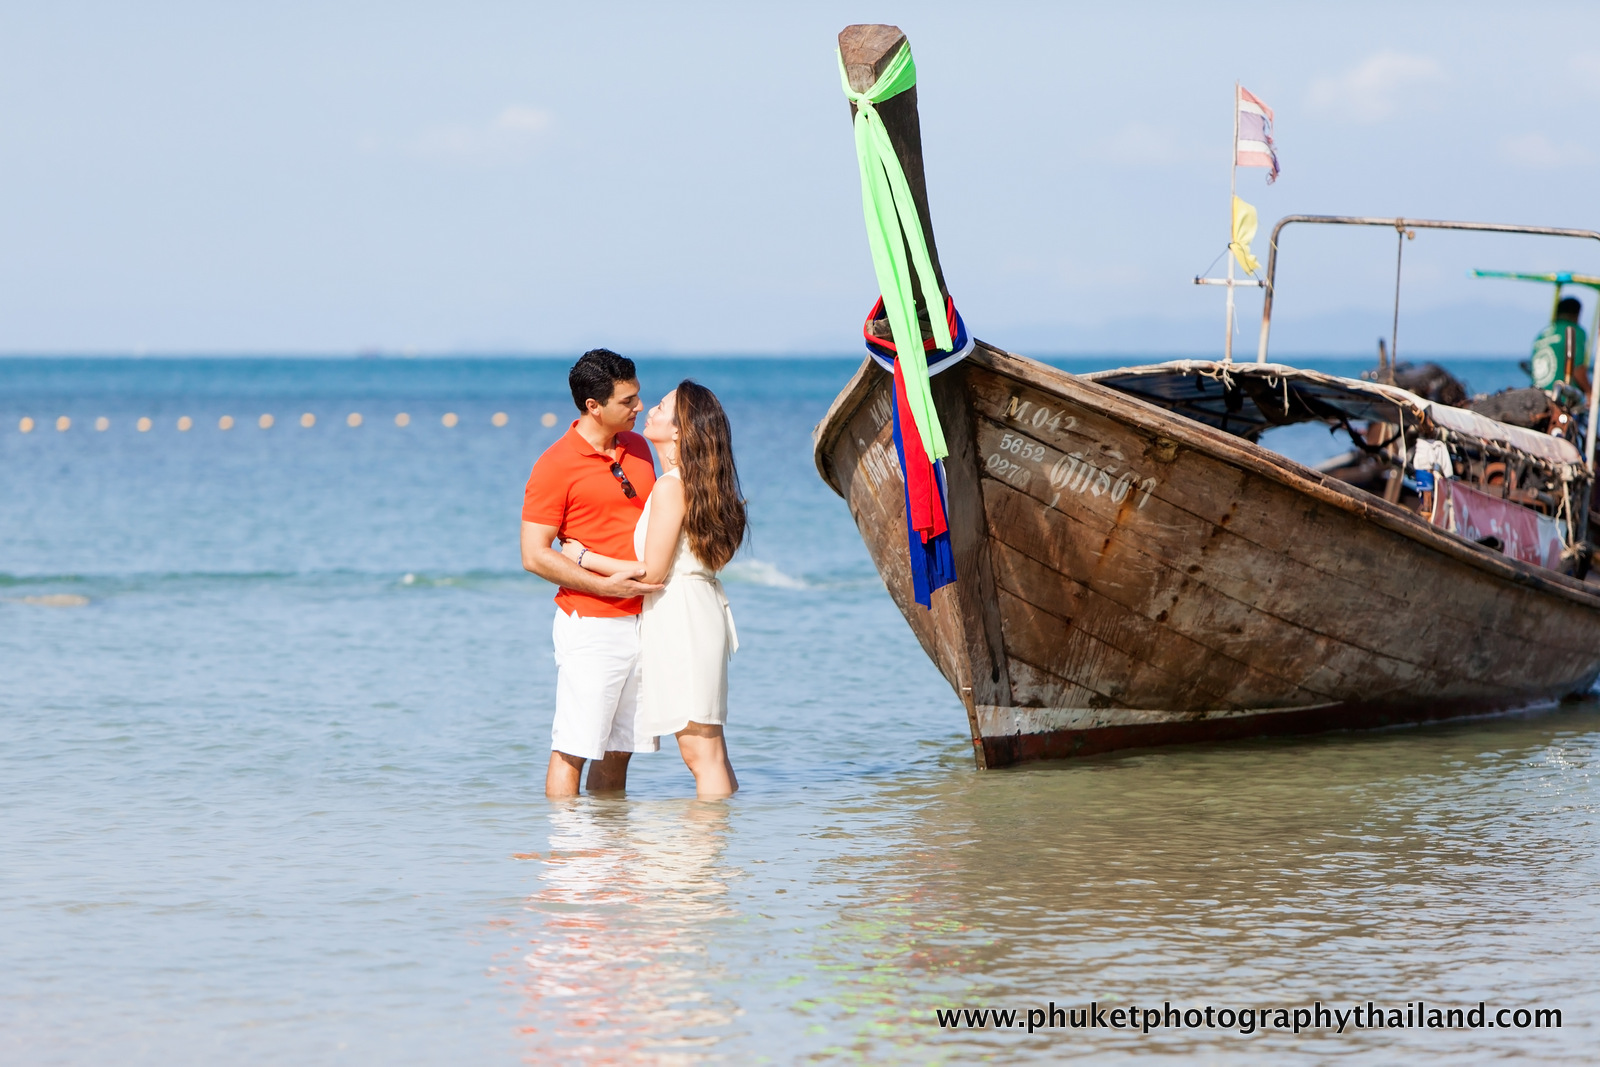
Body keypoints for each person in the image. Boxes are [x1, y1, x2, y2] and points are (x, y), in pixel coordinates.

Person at [562, 381, 746, 798]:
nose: (649, 409)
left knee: (701, 752)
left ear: (680, 430)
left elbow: (651, 573)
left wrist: (582, 557)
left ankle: (705, 853)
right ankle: (716, 849)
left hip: (680, 616)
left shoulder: (670, 486)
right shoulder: (697, 483)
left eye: (662, 407)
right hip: (695, 611)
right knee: (710, 749)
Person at [521, 349, 664, 798]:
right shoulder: (554, 465)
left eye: (638, 396)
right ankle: (568, 858)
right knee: (574, 747)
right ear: (593, 406)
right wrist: (602, 584)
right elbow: (534, 555)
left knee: (621, 749)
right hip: (591, 624)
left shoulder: (640, 447)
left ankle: (611, 853)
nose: (639, 407)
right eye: (628, 400)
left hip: (647, 619)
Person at [1530, 296, 1591, 398]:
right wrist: (1590, 392)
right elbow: (1577, 369)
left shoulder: (1541, 336)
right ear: (1576, 314)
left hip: (1537, 398)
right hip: (1561, 399)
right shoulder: (1573, 331)